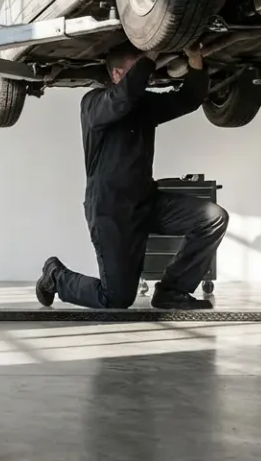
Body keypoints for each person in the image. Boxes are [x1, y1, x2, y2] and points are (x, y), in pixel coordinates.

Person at [35, 45, 229, 310]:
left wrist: (195, 59)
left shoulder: (143, 106)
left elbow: (188, 99)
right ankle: (55, 275)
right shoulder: (94, 104)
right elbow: (122, 98)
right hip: (111, 212)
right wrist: (151, 53)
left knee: (212, 218)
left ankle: (172, 292)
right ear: (116, 74)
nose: (146, 76)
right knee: (116, 299)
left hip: (147, 202)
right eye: (136, 69)